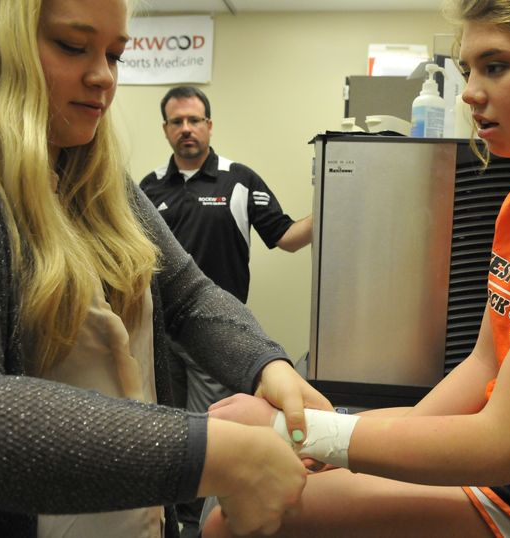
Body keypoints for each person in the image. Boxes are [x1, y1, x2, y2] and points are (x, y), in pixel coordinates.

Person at [202, 0, 510, 536]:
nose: (469, 92)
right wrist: (330, 441)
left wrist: (298, 433)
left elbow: (502, 444)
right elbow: (484, 368)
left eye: (495, 66)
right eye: (469, 70)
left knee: (243, 515)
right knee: (254, 484)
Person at [0, 1, 332, 537]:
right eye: (72, 46)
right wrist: (205, 452)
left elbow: (188, 294)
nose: (102, 76)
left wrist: (270, 366)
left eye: (114, 53)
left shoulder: (92, 173)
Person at [139, 85, 314, 535]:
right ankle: (173, 523)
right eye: (177, 122)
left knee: (210, 433)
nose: (186, 130)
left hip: (213, 338)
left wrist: (340, 204)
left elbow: (287, 236)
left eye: (194, 120)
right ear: (166, 130)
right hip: (159, 337)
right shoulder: (148, 187)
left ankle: (206, 527)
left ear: (209, 126)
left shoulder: (239, 179)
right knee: (167, 430)